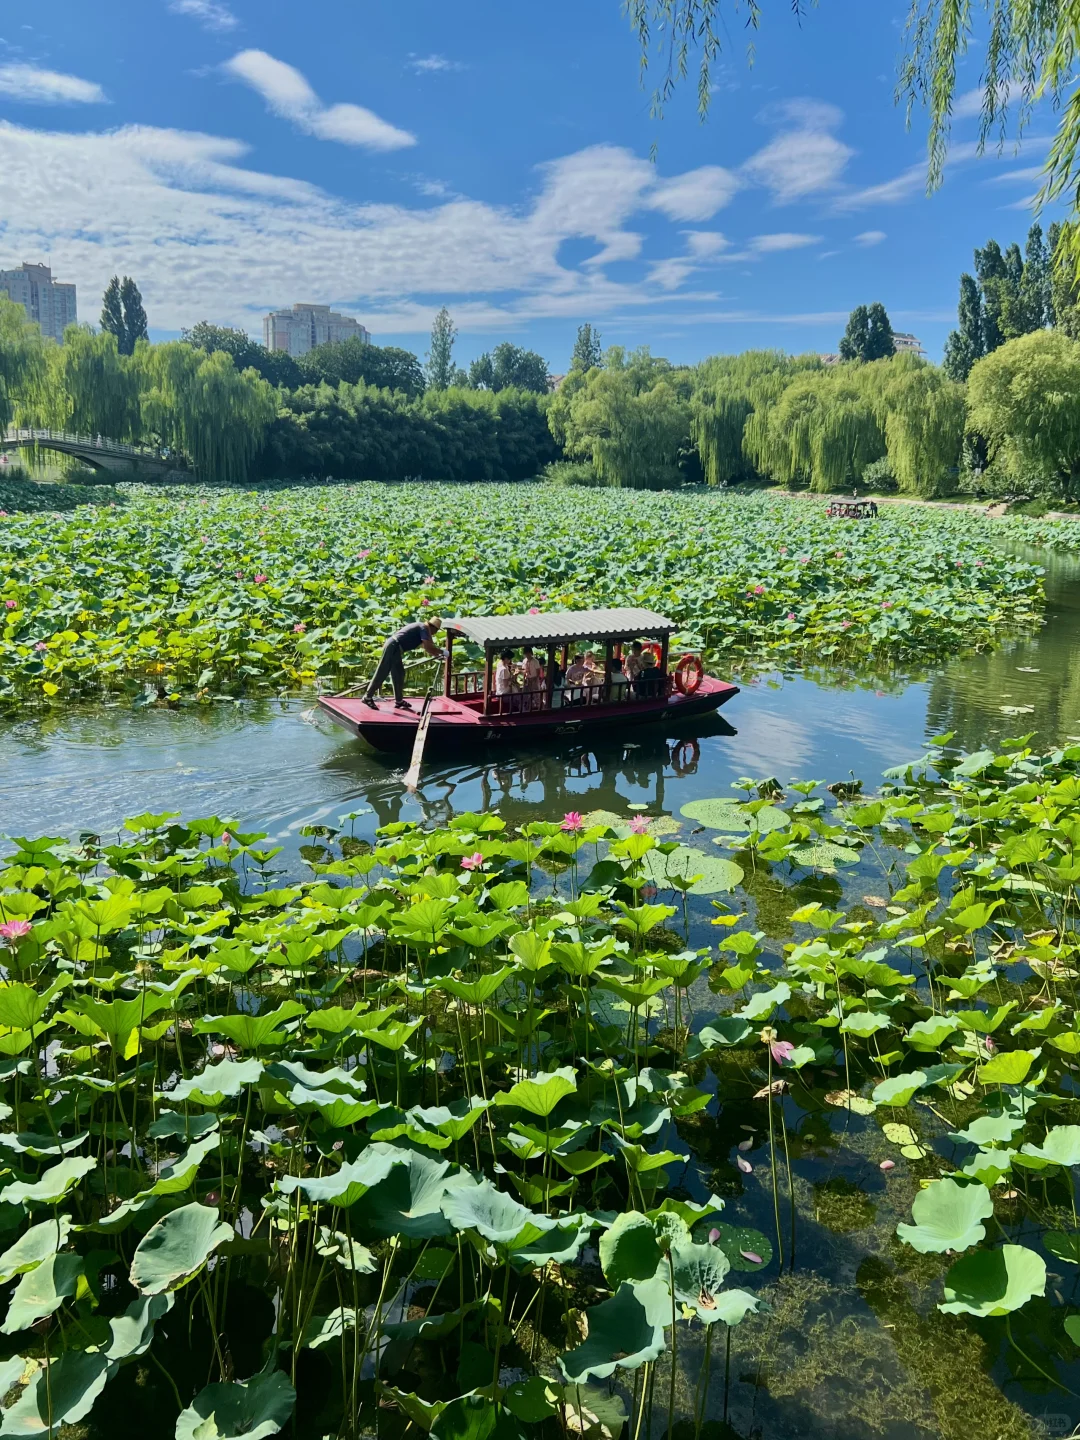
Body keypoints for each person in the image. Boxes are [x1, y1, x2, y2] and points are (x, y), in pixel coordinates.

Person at [362, 615, 447, 710]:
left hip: (396, 648)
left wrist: (438, 655)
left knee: (399, 673)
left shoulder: (423, 628)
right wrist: (442, 652)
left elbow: (426, 647)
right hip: (393, 646)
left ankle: (399, 701)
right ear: (433, 627)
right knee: (382, 671)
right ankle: (367, 697)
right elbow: (428, 647)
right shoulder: (423, 628)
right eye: (436, 631)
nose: (435, 633)